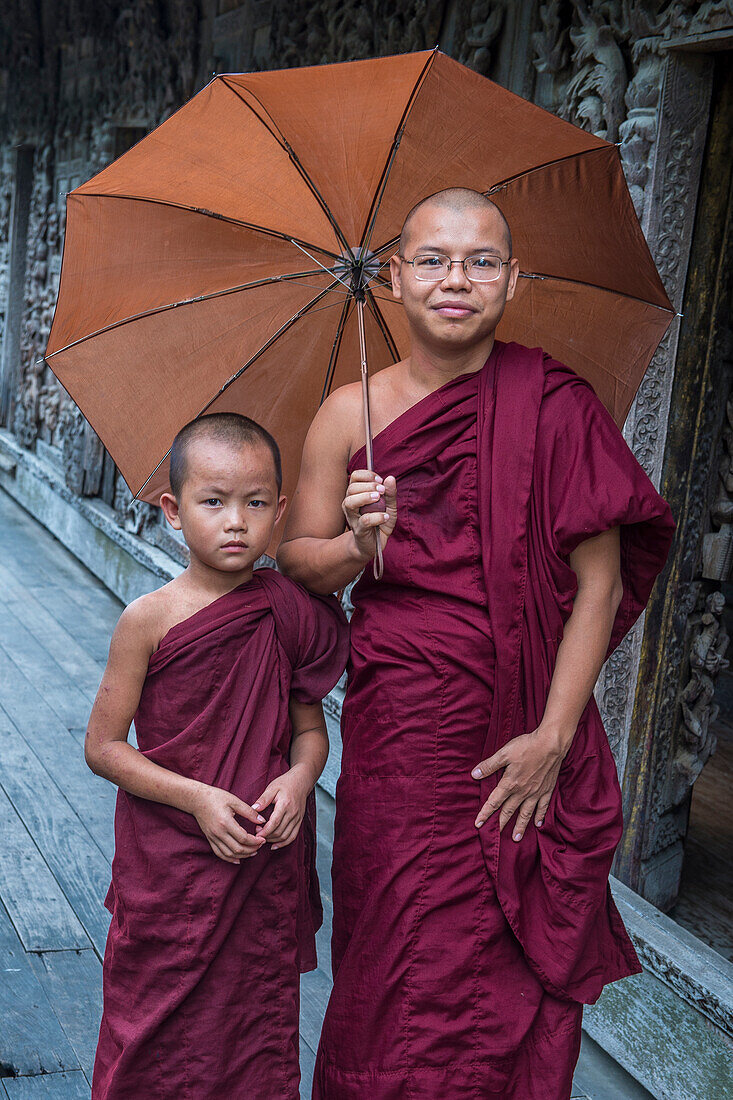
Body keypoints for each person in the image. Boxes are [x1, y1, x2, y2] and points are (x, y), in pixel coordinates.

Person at [277, 189, 675, 1099]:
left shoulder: (555, 402)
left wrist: (552, 741)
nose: (455, 279)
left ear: (513, 280)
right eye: (431, 259)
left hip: (522, 736)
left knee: (506, 980)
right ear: (392, 280)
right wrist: (353, 541)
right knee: (393, 957)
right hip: (403, 742)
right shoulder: (349, 415)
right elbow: (299, 567)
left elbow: (599, 582)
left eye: (480, 261)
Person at [86, 412, 349, 1100]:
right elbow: (103, 747)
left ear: (280, 512)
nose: (236, 521)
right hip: (171, 860)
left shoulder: (287, 612)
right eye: (214, 502)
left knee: (249, 1026)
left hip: (258, 859)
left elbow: (309, 732)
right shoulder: (148, 618)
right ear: (173, 511)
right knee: (153, 1024)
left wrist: (298, 780)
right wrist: (197, 798)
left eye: (255, 503)